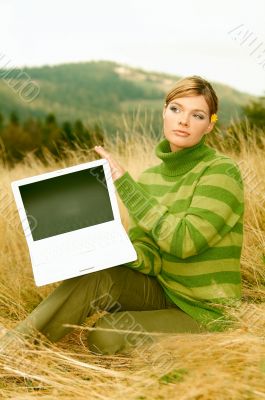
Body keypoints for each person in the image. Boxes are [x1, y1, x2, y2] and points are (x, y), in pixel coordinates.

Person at [1, 75, 244, 355]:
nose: (184, 121)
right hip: (164, 292)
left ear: (210, 125)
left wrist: (127, 187)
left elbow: (185, 241)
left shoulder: (221, 171)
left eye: (197, 115)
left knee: (105, 336)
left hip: (205, 312)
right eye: (176, 109)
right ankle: (13, 350)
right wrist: (109, 252)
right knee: (98, 276)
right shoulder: (151, 178)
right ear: (164, 111)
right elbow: (151, 255)